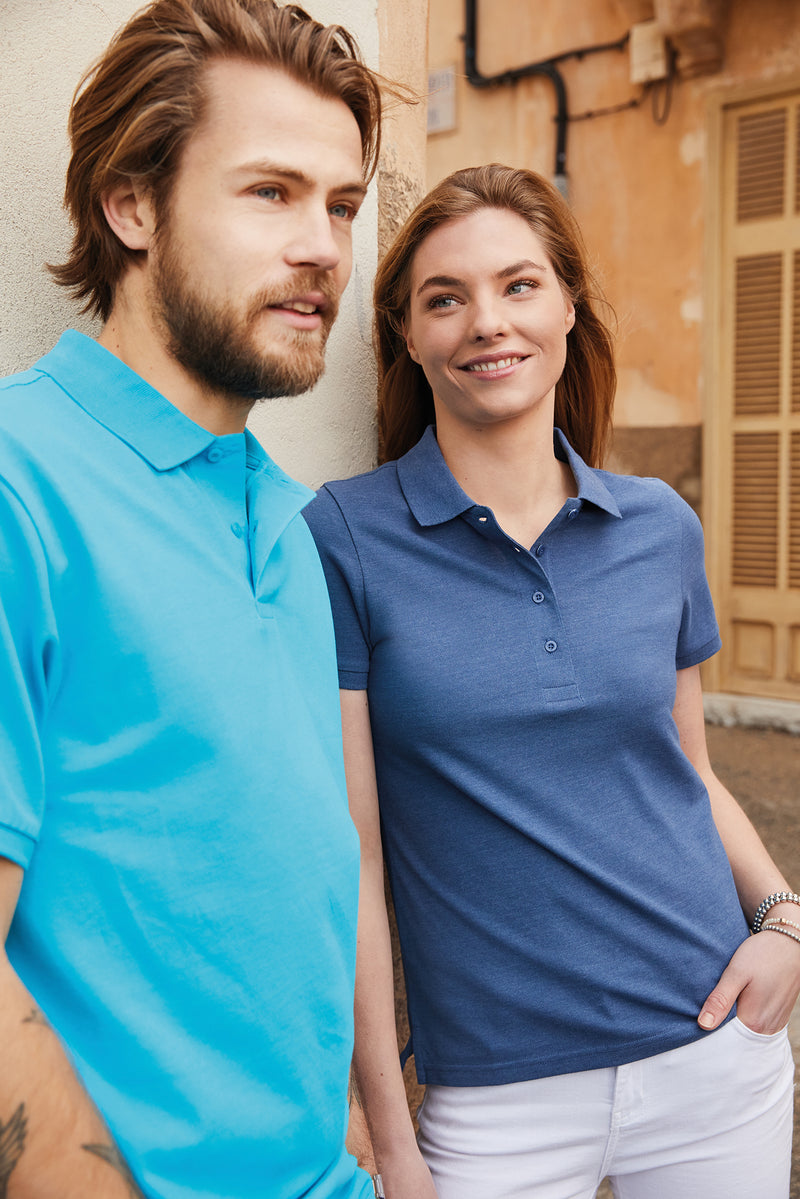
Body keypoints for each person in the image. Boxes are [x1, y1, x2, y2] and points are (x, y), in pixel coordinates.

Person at [303, 164, 800, 1199]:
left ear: (568, 302)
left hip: (710, 1048)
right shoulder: (344, 535)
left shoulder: (658, 522)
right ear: (404, 332)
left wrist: (787, 923)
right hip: (493, 1094)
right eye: (445, 298)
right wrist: (388, 1133)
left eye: (518, 285)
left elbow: (687, 772)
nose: (486, 321)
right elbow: (350, 855)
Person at [0, 1, 387, 1195]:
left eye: (340, 205)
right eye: (270, 192)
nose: (324, 246)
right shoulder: (20, 480)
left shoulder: (286, 513)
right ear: (131, 206)